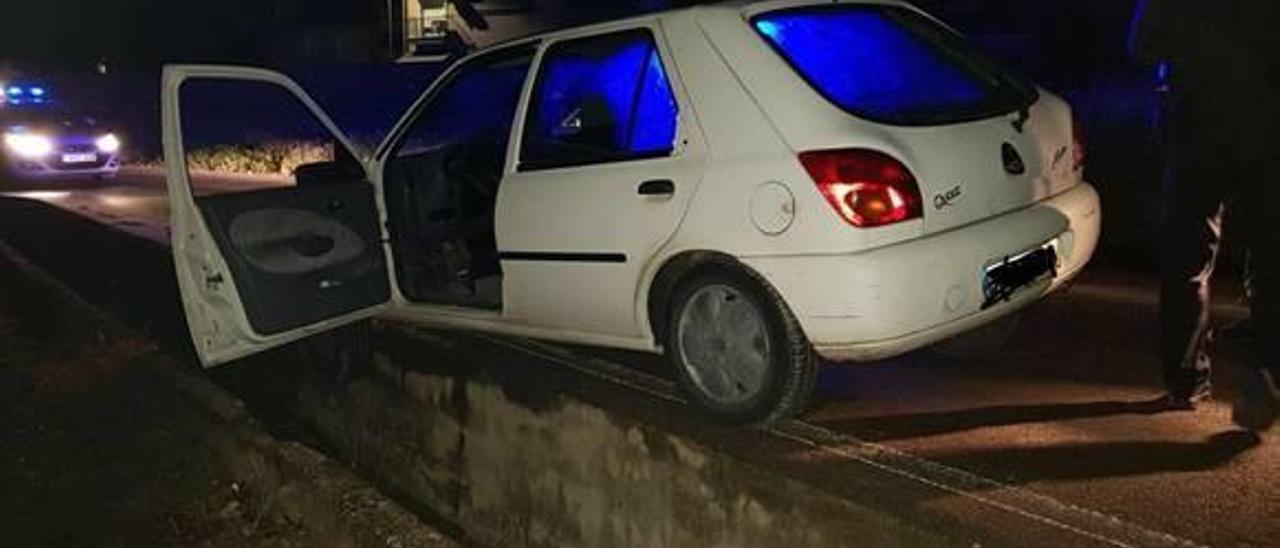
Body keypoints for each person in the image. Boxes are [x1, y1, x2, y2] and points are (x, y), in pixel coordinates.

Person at [1128, 0, 1280, 429]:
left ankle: (1184, 380)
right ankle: (1266, 372)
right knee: (1271, 257)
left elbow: (1141, 45)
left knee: (1187, 258)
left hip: (1197, 130)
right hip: (1268, 133)